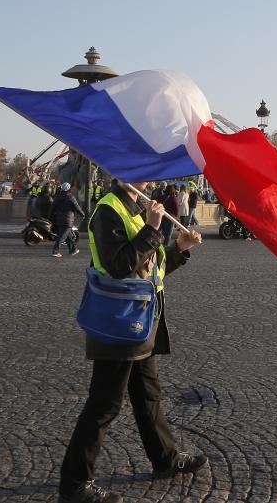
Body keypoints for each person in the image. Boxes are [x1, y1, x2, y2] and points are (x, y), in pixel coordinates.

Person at [58, 179, 206, 503]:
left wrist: (179, 248)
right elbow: (120, 265)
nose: (151, 180)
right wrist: (154, 229)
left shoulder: (136, 208)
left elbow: (150, 268)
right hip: (119, 322)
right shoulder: (108, 210)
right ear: (122, 171)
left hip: (140, 323)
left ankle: (165, 459)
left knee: (148, 395)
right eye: (144, 173)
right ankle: (74, 484)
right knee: (104, 404)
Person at [51, 182, 85, 257]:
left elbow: (53, 208)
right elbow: (77, 207)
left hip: (59, 219)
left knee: (68, 236)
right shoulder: (70, 197)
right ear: (69, 189)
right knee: (62, 237)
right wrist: (83, 215)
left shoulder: (58, 197)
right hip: (68, 220)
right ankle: (55, 251)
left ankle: (73, 249)